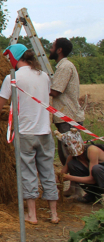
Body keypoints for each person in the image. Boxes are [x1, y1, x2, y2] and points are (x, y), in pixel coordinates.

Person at [0, 45, 59, 224]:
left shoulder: (12, 78)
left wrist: (1, 116)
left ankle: (32, 215)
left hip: (25, 133)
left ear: (15, 58)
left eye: (9, 58)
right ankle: (53, 214)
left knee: (28, 171)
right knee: (47, 171)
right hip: (45, 131)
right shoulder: (44, 76)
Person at [49, 37, 84, 166]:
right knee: (68, 156)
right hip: (67, 117)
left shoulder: (64, 67)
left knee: (70, 156)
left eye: (52, 47)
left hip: (68, 118)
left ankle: (76, 184)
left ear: (59, 50)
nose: (50, 49)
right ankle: (74, 185)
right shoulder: (64, 66)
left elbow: (55, 91)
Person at [59, 129, 104, 203]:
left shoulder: (92, 150)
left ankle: (95, 194)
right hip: (96, 177)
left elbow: (92, 179)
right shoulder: (71, 157)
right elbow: (61, 175)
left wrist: (69, 177)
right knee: (72, 165)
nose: (73, 147)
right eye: (68, 145)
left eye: (75, 143)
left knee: (96, 169)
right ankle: (93, 195)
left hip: (101, 174)